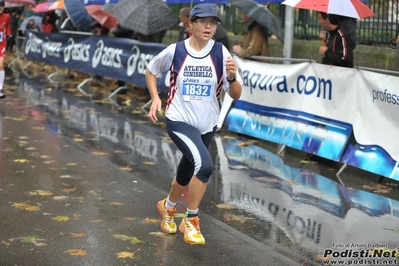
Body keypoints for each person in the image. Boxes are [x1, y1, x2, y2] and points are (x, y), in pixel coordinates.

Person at [145, 4, 242, 245]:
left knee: (187, 171)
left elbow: (236, 94)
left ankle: (167, 207)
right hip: (179, 120)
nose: (209, 26)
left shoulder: (221, 53)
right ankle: (191, 219)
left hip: (207, 124)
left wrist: (231, 78)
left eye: (213, 22)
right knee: (205, 166)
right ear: (191, 24)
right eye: (203, 21)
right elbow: (151, 70)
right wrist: (156, 98)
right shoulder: (177, 50)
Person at [0, 0, 10, 99]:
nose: (0, 8)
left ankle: (0, 87)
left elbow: (7, 27)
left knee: (1, 64)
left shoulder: (6, 16)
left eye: (2, 6)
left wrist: (9, 34)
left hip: (2, 44)